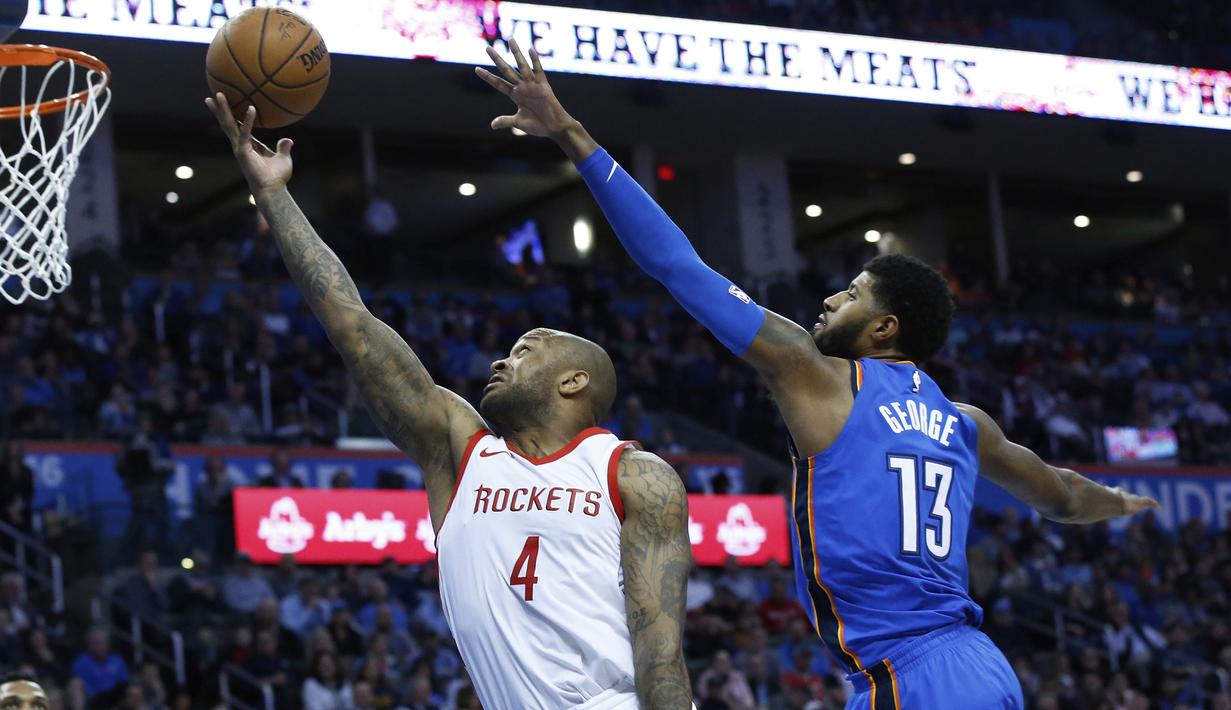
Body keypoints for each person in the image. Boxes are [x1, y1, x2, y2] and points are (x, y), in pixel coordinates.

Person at [477, 40, 1161, 709]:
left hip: (909, 672)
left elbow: (677, 266)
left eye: (853, 293)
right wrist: (1121, 501)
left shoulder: (819, 378)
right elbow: (1063, 497)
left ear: (883, 328)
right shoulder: (964, 424)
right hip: (978, 667)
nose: (831, 298)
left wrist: (569, 132)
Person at [206, 94, 694, 710]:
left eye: (526, 349)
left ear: (575, 382)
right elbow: (353, 326)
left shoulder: (636, 476)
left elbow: (661, 648)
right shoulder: (460, 451)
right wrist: (274, 197)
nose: (500, 360)